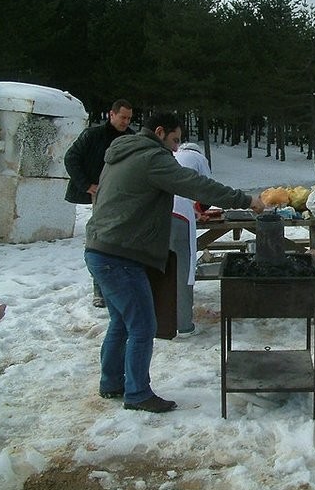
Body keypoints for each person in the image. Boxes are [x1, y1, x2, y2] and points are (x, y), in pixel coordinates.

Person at [84, 112, 264, 413]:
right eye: (175, 140)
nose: (177, 149)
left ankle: (112, 382)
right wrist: (245, 200)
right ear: (159, 132)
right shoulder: (152, 158)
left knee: (121, 322)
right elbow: (194, 184)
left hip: (101, 249)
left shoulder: (122, 153)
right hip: (120, 255)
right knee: (143, 325)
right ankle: (137, 393)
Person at [65, 99, 134, 308]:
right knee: (100, 241)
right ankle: (100, 290)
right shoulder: (92, 135)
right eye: (122, 117)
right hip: (100, 196)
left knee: (123, 241)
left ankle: (122, 284)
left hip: (124, 197)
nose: (125, 122)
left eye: (129, 118)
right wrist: (86, 185)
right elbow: (71, 159)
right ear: (111, 115)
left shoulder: (132, 138)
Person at [169, 142, 212, 337]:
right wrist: (199, 210)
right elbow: (207, 193)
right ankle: (183, 325)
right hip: (180, 216)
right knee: (182, 270)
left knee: (161, 268)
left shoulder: (170, 155)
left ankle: (160, 321)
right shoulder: (199, 159)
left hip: (157, 213)